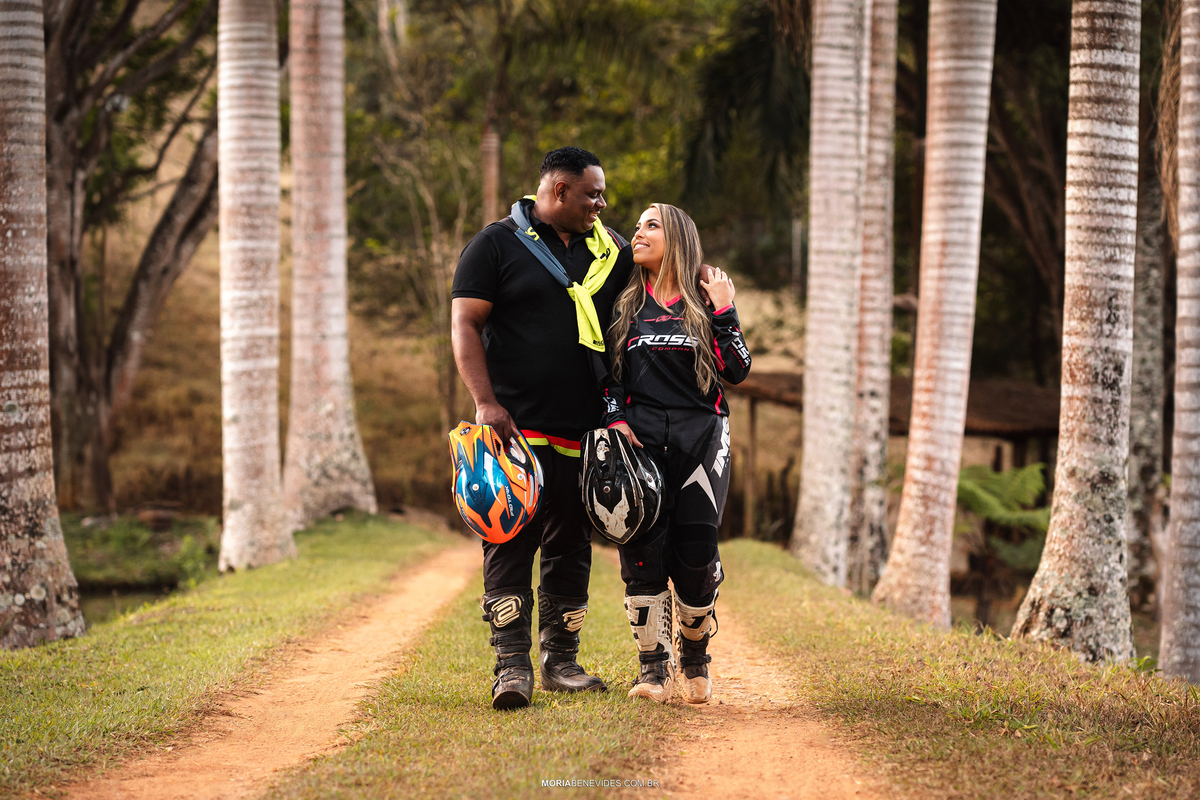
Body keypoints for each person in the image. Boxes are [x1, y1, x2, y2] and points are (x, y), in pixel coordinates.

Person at [451, 146, 633, 710]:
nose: (601, 204)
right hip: (515, 429)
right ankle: (511, 667)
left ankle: (561, 661)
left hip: (585, 430)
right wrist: (485, 402)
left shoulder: (612, 253)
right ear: (558, 192)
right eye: (592, 194)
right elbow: (465, 322)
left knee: (572, 545)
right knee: (507, 541)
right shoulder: (495, 244)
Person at [599, 203, 751, 704]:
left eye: (651, 226)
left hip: (702, 441)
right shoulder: (622, 304)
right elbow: (608, 374)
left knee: (696, 560)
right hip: (639, 443)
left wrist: (725, 309)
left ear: (678, 239)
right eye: (637, 226)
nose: (637, 233)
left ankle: (695, 656)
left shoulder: (705, 303)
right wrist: (616, 417)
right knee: (641, 557)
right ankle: (652, 671)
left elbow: (737, 370)